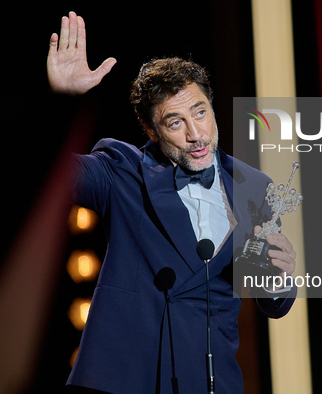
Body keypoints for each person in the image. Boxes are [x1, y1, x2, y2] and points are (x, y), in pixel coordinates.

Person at [48, 11, 298, 394]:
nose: (196, 134)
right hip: (123, 379)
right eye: (175, 122)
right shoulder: (122, 171)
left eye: (200, 112)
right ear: (150, 128)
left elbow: (272, 303)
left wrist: (280, 277)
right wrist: (64, 101)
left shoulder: (254, 188)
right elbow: (56, 177)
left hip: (206, 380)